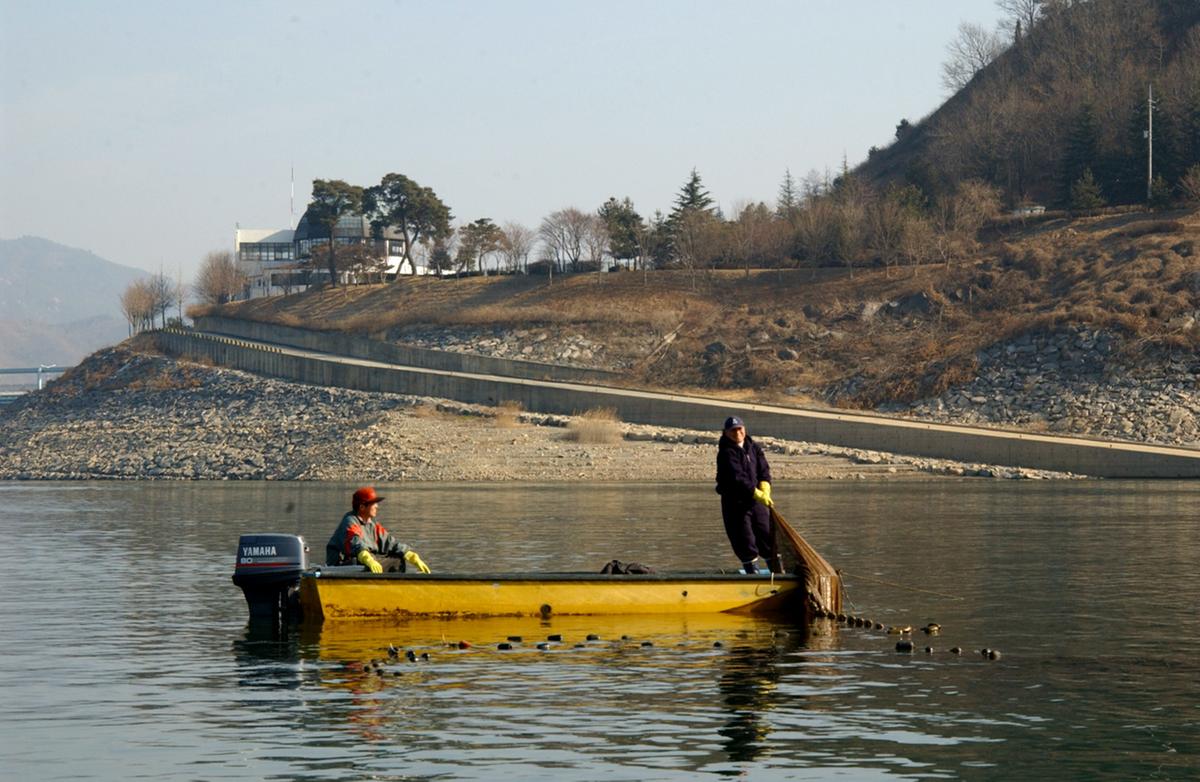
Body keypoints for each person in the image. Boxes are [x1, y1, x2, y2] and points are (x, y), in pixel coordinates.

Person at [715, 416, 778, 574]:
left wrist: (765, 487)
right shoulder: (726, 453)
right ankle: (752, 574)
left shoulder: (753, 447)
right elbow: (738, 478)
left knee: (766, 536)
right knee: (745, 540)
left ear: (744, 429)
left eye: (740, 429)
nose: (737, 433)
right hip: (735, 504)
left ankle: (778, 573)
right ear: (726, 432)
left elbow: (764, 469)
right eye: (733, 430)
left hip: (757, 503)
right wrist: (756, 493)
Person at [325, 486, 431, 574]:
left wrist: (410, 554)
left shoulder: (373, 525)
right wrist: (368, 559)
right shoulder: (350, 521)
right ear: (362, 507)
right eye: (373, 503)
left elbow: (390, 543)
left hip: (360, 563)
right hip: (342, 567)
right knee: (368, 562)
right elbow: (355, 542)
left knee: (398, 559)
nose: (377, 506)